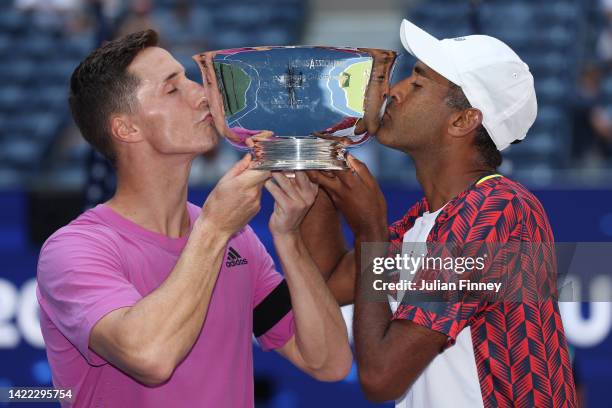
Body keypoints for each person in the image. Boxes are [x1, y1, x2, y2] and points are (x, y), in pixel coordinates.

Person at [36, 30, 352, 407]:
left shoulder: (238, 240)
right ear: (126, 128)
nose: (203, 95)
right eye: (172, 90)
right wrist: (215, 229)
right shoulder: (74, 250)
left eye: (188, 79)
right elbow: (150, 357)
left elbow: (329, 362)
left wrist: (289, 237)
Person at [303, 19, 577, 407]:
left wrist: (370, 233)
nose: (393, 92)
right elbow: (327, 285)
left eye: (417, 83)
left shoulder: (497, 211)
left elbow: (381, 378)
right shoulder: (429, 219)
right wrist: (320, 161)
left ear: (463, 120)